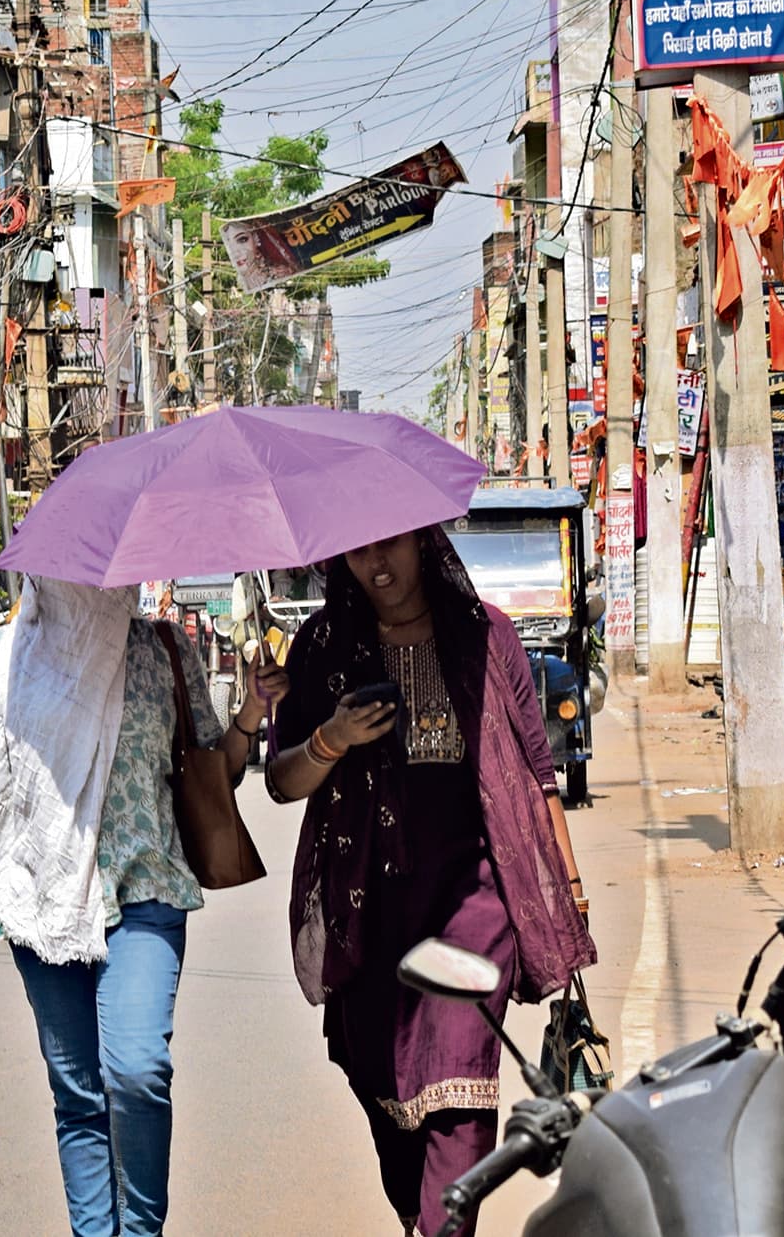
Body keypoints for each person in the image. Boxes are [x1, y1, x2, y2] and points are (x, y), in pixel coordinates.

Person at [0, 576, 288, 1237]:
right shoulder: (7, 655)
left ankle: (142, 1230)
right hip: (42, 900)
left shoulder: (162, 649)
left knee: (136, 1068)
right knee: (78, 1096)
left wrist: (252, 712)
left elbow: (216, 766)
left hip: (145, 889)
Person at [267, 528, 594, 1237]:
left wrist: (569, 890)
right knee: (378, 1081)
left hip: (474, 897)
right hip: (367, 905)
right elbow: (281, 781)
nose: (375, 563)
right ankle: (421, 1211)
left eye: (389, 544)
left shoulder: (486, 634)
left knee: (460, 1088)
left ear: (422, 540)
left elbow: (538, 771)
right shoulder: (322, 645)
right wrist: (332, 738)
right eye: (357, 550)